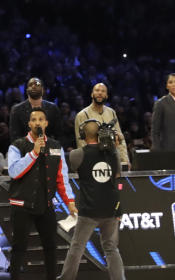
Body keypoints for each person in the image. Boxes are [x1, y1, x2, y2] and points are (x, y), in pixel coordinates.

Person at [7, 109, 77, 280]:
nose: (37, 122)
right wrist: (33, 153)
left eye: (41, 119)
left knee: (51, 247)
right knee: (19, 248)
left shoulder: (55, 147)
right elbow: (14, 172)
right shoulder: (17, 146)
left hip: (45, 204)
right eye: (34, 120)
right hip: (22, 205)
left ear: (46, 123)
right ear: (29, 124)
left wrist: (70, 201)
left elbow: (62, 177)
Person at [59, 119, 124, 280]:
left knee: (77, 247)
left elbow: (73, 167)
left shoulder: (77, 154)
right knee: (111, 248)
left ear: (82, 135)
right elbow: (117, 174)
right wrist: (113, 148)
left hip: (89, 210)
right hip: (111, 208)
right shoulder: (112, 153)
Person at [74, 83, 130, 168]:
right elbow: (81, 143)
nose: (100, 93)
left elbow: (120, 138)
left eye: (103, 91)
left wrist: (125, 160)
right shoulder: (82, 115)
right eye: (97, 90)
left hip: (112, 160)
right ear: (92, 94)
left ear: (106, 96)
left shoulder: (111, 112)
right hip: (93, 162)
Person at [9, 78, 63, 143]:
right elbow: (15, 137)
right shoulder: (17, 109)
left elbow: (59, 134)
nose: (34, 86)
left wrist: (53, 151)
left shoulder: (53, 108)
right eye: (31, 85)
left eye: (37, 84)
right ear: (27, 90)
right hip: (25, 150)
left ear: (43, 90)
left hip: (49, 149)